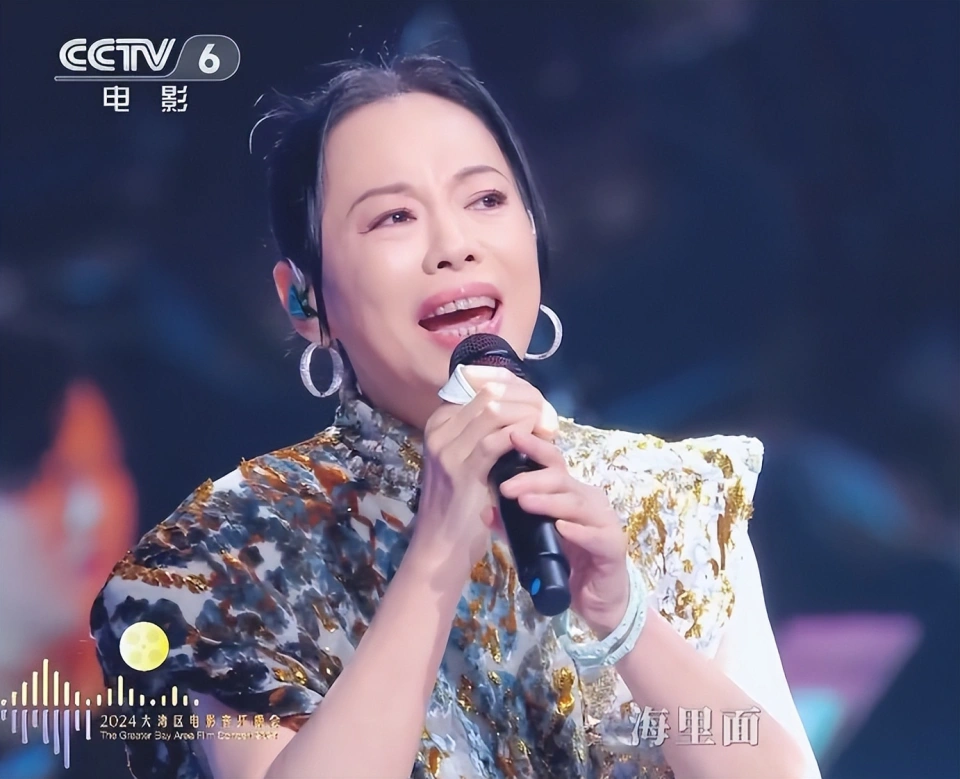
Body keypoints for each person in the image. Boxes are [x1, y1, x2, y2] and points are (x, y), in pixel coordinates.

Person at [90, 55, 821, 779]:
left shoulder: (671, 499)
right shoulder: (229, 553)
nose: (454, 247)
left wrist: (625, 619)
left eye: (486, 200)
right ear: (302, 298)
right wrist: (436, 557)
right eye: (394, 217)